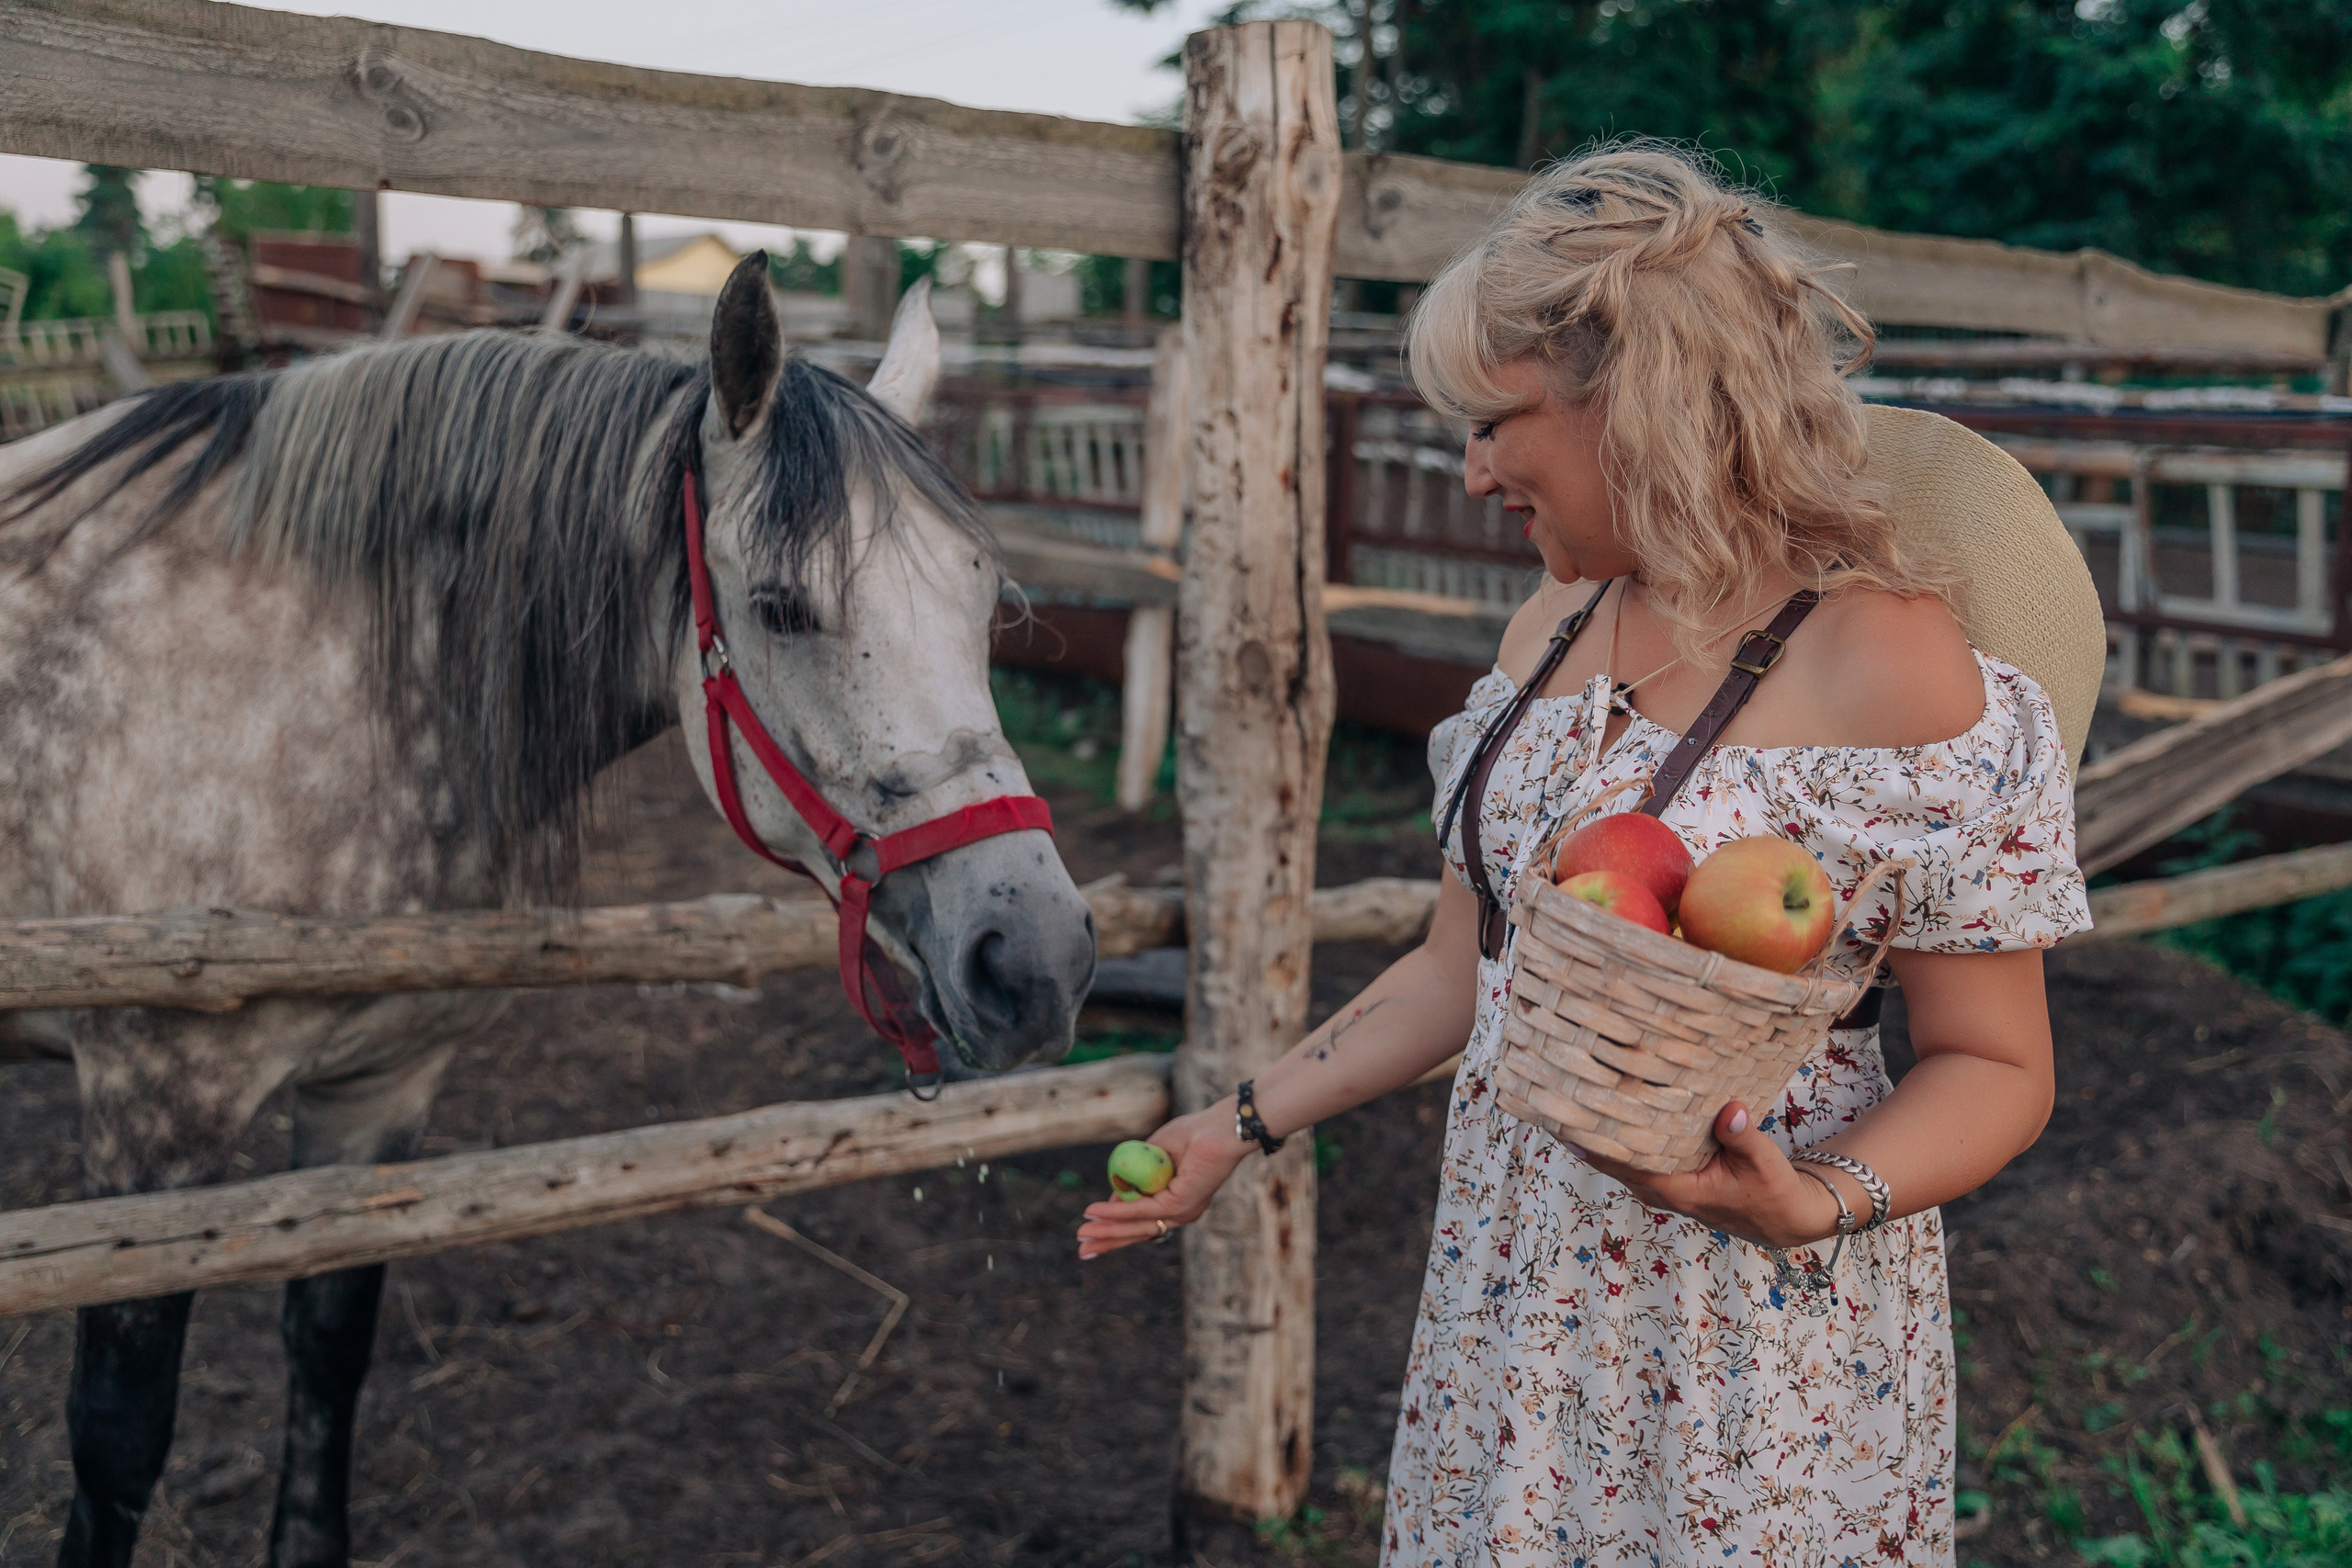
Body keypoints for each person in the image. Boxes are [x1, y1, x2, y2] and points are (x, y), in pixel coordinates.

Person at [1075, 143, 2091, 1567]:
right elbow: (1459, 974)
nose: (1475, 469)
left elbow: (1998, 1063)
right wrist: (1238, 1127)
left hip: (1753, 1346)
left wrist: (1815, 1199)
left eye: (1495, 423)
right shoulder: (1546, 635)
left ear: (1643, 395)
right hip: (1512, 1302)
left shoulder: (1897, 667)